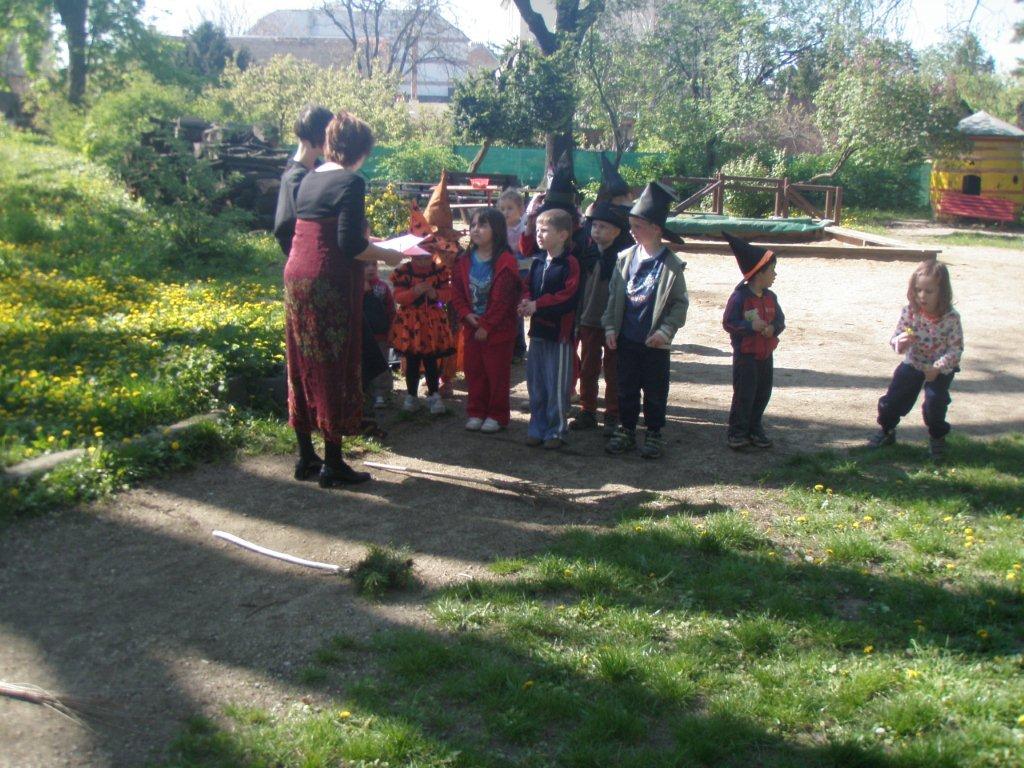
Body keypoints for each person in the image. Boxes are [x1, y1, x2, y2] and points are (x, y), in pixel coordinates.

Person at [285, 111, 404, 487]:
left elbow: (320, 229)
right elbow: (350, 245)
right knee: (334, 365)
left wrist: (374, 245)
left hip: (297, 279)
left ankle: (307, 456)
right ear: (361, 150)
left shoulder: (308, 177)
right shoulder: (351, 181)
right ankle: (333, 463)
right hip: (329, 282)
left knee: (302, 362)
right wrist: (388, 255)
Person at [603, 182, 689, 459]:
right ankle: (626, 430)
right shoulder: (625, 259)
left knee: (655, 390)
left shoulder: (671, 265)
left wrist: (666, 331)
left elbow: (679, 304)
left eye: (638, 226)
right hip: (627, 338)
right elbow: (614, 296)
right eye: (631, 226)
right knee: (626, 387)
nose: (632, 231)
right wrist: (610, 326)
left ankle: (653, 433)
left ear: (656, 229)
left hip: (654, 342)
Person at [868, 259, 963, 460]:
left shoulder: (951, 318)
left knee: (935, 403)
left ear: (942, 292)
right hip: (913, 362)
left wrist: (937, 368)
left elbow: (956, 350)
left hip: (940, 368)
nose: (922, 296)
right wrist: (901, 341)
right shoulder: (910, 312)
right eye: (918, 290)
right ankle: (887, 430)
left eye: (929, 291)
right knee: (893, 399)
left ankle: (937, 438)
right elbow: (895, 339)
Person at [451, 208, 521, 433]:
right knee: (474, 372)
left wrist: (487, 325)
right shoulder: (463, 261)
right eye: (473, 225)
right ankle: (476, 411)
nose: (476, 230)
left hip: (499, 331)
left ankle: (497, 415)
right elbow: (457, 292)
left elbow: (504, 300)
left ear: (496, 230)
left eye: (482, 225)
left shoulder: (506, 261)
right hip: (471, 328)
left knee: (496, 374)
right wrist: (465, 313)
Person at [518, 208, 580, 449]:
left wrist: (538, 305)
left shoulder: (570, 264)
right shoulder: (538, 261)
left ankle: (556, 431)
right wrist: (525, 301)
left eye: (545, 230)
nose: (539, 235)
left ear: (563, 235)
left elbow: (568, 296)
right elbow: (527, 286)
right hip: (538, 334)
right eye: (537, 230)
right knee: (536, 384)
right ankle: (537, 428)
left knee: (557, 386)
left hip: (559, 336)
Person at [570, 201, 633, 436]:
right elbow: (580, 291)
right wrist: (578, 319)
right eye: (594, 225)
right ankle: (587, 409)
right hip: (589, 320)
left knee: (614, 369)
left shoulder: (624, 260)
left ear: (617, 232)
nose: (596, 230)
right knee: (588, 368)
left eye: (603, 227)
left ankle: (613, 413)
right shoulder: (586, 255)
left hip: (614, 324)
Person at [721, 231, 785, 451]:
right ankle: (737, 432)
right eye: (772, 270)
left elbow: (780, 321)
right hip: (746, 356)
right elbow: (729, 322)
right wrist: (750, 327)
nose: (775, 274)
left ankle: (754, 428)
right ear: (759, 273)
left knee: (763, 392)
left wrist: (773, 328)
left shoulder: (771, 297)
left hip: (766, 354)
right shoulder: (739, 297)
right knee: (744, 394)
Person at [389, 247, 455, 415]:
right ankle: (411, 395)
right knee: (412, 360)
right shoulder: (403, 272)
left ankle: (434, 394)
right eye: (419, 258)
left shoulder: (439, 271)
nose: (423, 261)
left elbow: (448, 294)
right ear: (411, 255)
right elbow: (398, 296)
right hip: (411, 323)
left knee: (431, 360)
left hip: (432, 322)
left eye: (426, 257)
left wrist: (435, 294)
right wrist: (414, 292)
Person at [273, 104, 334, 256]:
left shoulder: (322, 168)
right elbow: (285, 232)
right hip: (308, 258)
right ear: (318, 135)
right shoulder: (294, 179)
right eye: (330, 135)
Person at [498, 188, 529, 360]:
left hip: (521, 272)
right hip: (505, 272)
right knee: (506, 310)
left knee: (517, 309)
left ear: (521, 210)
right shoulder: (499, 229)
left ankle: (519, 348)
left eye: (510, 208)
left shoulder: (524, 229)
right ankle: (508, 346)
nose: (505, 212)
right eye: (502, 209)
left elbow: (527, 253)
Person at [363, 260, 396, 409]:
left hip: (380, 334)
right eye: (366, 265)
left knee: (381, 364)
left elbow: (391, 310)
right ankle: (364, 393)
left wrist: (391, 331)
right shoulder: (353, 285)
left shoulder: (382, 287)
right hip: (362, 335)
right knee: (363, 363)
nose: (371, 268)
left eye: (373, 265)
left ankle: (381, 393)